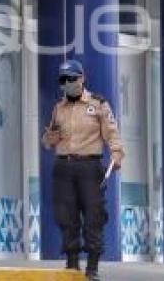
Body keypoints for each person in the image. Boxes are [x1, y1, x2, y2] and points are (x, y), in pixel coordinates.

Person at [42, 59, 124, 280]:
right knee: (66, 216)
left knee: (94, 215)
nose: (68, 83)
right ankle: (72, 264)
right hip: (64, 167)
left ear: (81, 78)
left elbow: (112, 132)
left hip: (90, 166)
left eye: (71, 78)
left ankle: (93, 267)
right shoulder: (58, 108)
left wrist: (117, 154)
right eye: (63, 79)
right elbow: (49, 140)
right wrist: (49, 139)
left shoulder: (98, 104)